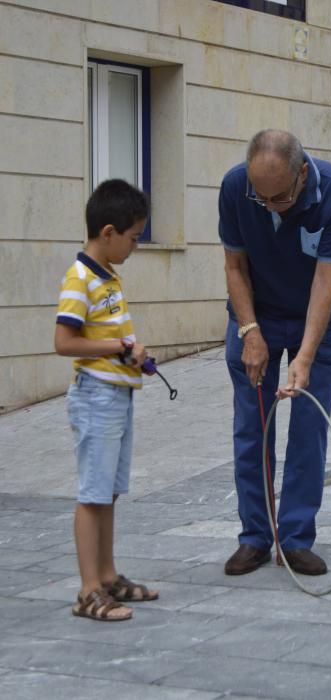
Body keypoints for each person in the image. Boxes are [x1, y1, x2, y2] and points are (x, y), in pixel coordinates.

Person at [218, 129, 331, 576]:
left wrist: (305, 357)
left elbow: (324, 283)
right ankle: (255, 537)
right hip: (256, 313)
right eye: (260, 198)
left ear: (301, 174)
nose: (269, 207)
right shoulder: (236, 187)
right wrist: (250, 330)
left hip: (319, 317)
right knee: (252, 427)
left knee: (308, 428)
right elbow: (234, 265)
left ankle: (294, 538)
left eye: (278, 199)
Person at [55, 179, 159, 621]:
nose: (135, 246)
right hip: (95, 397)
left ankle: (109, 575)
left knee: (109, 493)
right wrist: (117, 349)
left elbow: (107, 334)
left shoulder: (108, 276)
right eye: (134, 238)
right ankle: (88, 590)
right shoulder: (79, 278)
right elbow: (64, 341)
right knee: (92, 494)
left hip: (118, 395)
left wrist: (132, 353)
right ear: (109, 232)